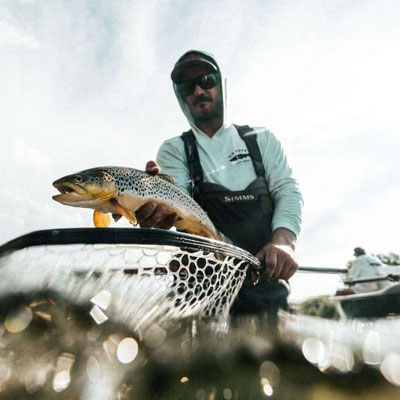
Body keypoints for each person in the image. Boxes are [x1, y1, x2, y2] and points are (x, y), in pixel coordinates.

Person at [136, 50, 303, 316]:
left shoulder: (262, 139)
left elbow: (287, 189)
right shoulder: (174, 149)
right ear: (181, 96)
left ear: (221, 84)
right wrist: (157, 212)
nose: (199, 90)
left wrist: (284, 242)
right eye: (188, 86)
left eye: (207, 79)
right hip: (199, 288)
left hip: (266, 280)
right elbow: (177, 204)